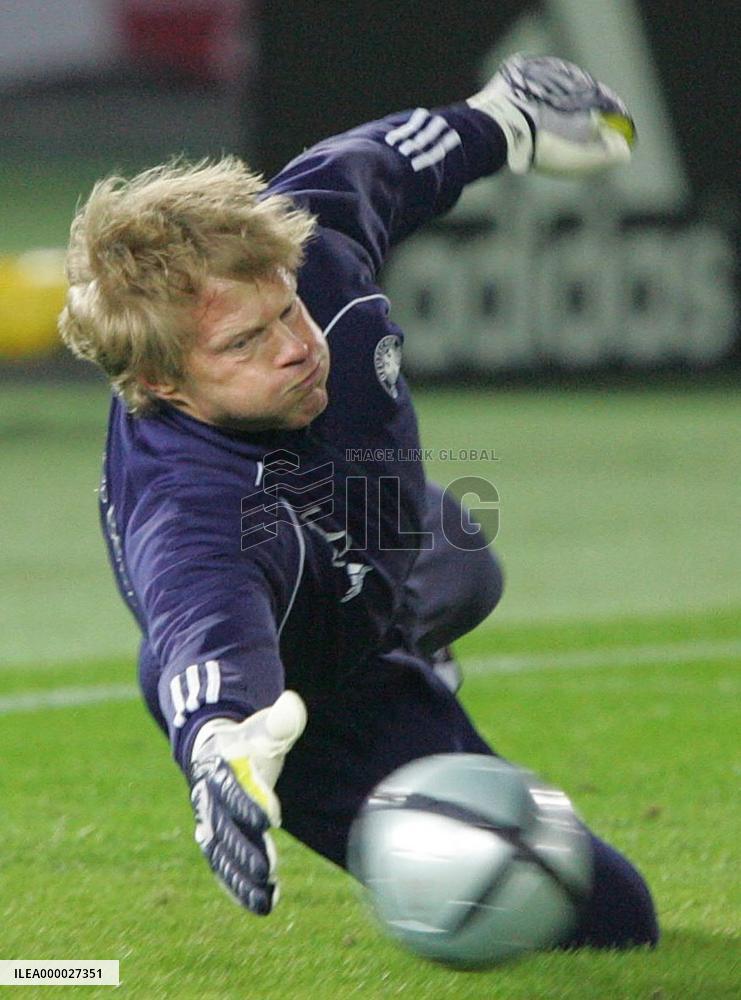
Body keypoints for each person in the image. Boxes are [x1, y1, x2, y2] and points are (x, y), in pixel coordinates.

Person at [59, 54, 657, 948]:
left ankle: (415, 625)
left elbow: (375, 160)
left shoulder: (309, 245)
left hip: (377, 526)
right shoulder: (191, 512)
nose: (295, 347)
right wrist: (224, 744)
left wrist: (506, 119)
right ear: (164, 384)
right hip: (316, 683)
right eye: (244, 344)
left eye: (288, 311)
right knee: (603, 917)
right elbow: (201, 628)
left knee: (458, 551)